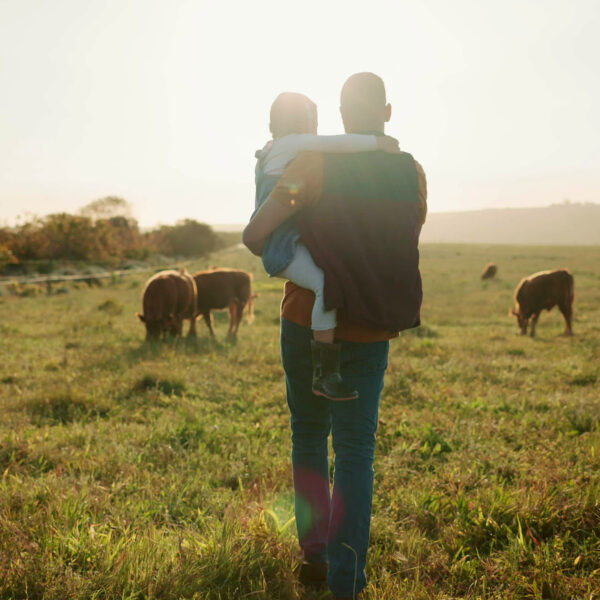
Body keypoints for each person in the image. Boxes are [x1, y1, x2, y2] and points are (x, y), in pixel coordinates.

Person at [243, 72, 427, 600]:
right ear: (386, 113)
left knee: (307, 435)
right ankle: (347, 585)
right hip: (371, 326)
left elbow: (257, 235)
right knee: (355, 453)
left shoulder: (313, 162)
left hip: (305, 320)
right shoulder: (411, 172)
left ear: (339, 119)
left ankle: (314, 558)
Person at [254, 91, 401, 401]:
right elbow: (337, 144)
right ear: (302, 123)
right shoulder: (292, 145)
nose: (317, 129)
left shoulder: (273, 149)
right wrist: (377, 144)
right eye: (314, 121)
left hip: (286, 241)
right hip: (284, 245)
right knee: (326, 283)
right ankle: (326, 373)